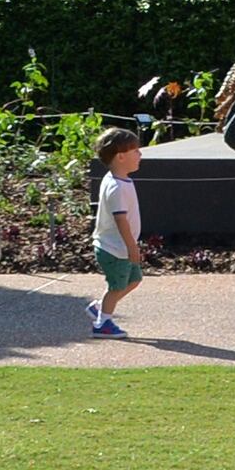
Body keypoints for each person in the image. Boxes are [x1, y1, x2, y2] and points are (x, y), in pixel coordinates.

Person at [88, 126, 146, 338]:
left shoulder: (116, 179)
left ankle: (99, 308)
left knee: (133, 280)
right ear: (121, 157)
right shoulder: (117, 187)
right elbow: (121, 220)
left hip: (118, 247)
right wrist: (132, 247)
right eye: (136, 151)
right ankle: (102, 323)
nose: (140, 155)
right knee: (116, 287)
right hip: (115, 249)